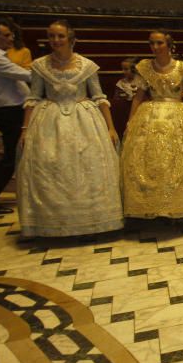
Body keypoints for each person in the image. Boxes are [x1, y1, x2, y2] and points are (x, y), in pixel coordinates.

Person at [16, 20, 123, 236]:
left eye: (60, 36)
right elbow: (33, 97)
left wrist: (111, 128)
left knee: (89, 167)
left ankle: (94, 221)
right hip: (49, 122)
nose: (55, 41)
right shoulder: (39, 65)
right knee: (50, 166)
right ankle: (53, 223)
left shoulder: (87, 66)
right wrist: (25, 130)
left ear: (71, 39)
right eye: (51, 36)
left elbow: (100, 97)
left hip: (84, 121)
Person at [120, 31, 183, 219]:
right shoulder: (145, 67)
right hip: (150, 116)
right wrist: (130, 121)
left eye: (159, 43)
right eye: (152, 43)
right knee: (151, 160)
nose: (155, 47)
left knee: (179, 160)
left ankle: (177, 206)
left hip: (177, 114)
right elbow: (138, 97)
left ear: (169, 45)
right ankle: (153, 206)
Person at [0, 18, 32, 214]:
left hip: (13, 108)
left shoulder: (3, 55)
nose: (11, 38)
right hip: (9, 110)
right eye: (6, 35)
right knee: (12, 155)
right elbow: (25, 75)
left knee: (14, 154)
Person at [110, 56, 140, 138]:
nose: (124, 71)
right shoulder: (121, 83)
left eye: (126, 69)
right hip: (125, 110)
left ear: (134, 69)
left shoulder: (141, 82)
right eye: (123, 69)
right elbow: (116, 98)